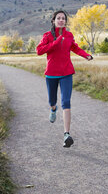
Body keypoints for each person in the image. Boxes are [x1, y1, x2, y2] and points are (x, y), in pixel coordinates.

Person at [36, 10, 93, 148]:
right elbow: (39, 50)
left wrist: (85, 55)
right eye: (58, 18)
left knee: (66, 102)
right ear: (54, 21)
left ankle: (66, 134)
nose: (61, 20)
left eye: (63, 18)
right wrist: (55, 43)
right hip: (51, 74)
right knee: (52, 101)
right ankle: (53, 109)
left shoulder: (69, 35)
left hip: (67, 72)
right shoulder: (48, 35)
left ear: (65, 21)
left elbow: (75, 47)